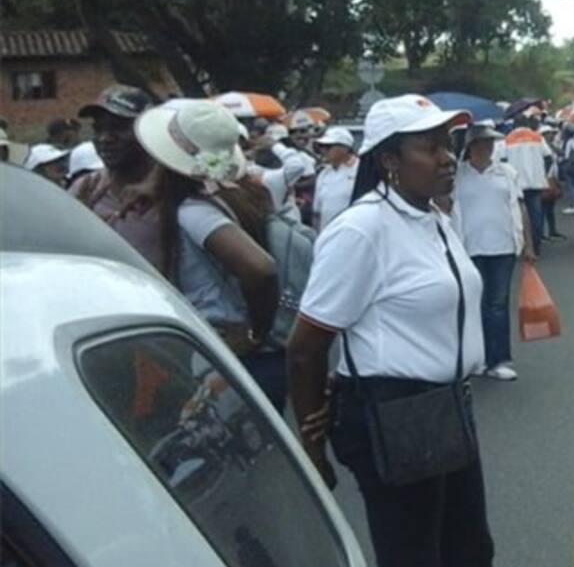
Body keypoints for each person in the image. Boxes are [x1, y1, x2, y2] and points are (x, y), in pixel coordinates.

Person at [286, 95, 494, 567]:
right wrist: (312, 444)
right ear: (388, 160)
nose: (446, 157)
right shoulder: (362, 230)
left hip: (446, 407)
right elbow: (307, 345)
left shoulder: (434, 218)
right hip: (394, 412)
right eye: (429, 147)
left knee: (470, 560)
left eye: (446, 144)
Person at [133, 100, 284, 409]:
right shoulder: (233, 195)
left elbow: (260, 268)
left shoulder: (194, 211)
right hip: (258, 360)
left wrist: (256, 332)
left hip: (227, 352)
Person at [452, 122, 534, 382]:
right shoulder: (457, 175)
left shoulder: (506, 173)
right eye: (481, 142)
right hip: (468, 247)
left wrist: (528, 244)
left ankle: (499, 359)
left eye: (490, 143)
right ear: (471, 146)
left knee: (497, 305)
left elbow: (520, 208)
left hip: (503, 247)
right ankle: (477, 358)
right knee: (472, 304)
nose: (487, 147)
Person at [70, 85, 165, 272]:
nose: (105, 138)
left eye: (119, 128)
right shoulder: (85, 189)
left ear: (147, 130)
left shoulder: (173, 188)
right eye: (98, 129)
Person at [502, 115, 551, 256]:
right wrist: (543, 174)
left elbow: (502, 160)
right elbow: (548, 157)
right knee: (536, 215)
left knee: (519, 216)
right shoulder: (537, 137)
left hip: (516, 184)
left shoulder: (507, 139)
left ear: (514, 125)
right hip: (535, 183)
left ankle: (523, 246)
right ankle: (536, 245)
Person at [311, 127, 359, 232]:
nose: (323, 150)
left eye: (328, 147)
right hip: (327, 233)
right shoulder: (324, 174)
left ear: (345, 148)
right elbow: (316, 213)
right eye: (322, 146)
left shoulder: (361, 170)